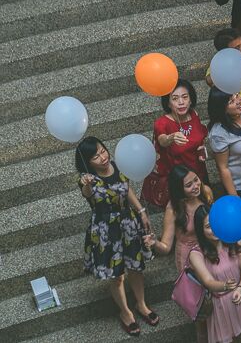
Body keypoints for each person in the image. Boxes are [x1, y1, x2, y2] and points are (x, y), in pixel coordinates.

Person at [76, 136, 156, 336]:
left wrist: (141, 211)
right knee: (117, 275)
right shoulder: (87, 179)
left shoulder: (118, 166)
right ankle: (125, 312)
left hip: (128, 222)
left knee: (136, 267)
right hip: (105, 230)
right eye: (96, 156)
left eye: (103, 151)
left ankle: (141, 304)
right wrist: (86, 183)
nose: (103, 157)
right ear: (87, 162)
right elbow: (87, 193)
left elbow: (127, 189)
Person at [188, 205, 241, 343]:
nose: (215, 229)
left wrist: (240, 288)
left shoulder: (233, 238)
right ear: (201, 230)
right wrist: (225, 285)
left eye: (217, 223)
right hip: (221, 303)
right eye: (209, 226)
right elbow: (208, 281)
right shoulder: (196, 253)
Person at [144, 79, 209, 207]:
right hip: (180, 181)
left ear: (191, 99)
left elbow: (199, 136)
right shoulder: (162, 123)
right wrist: (172, 137)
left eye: (185, 97)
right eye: (175, 98)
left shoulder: (194, 115)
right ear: (168, 103)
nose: (181, 102)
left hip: (199, 174)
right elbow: (162, 140)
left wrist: (202, 148)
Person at [147, 165, 214, 272]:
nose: (196, 186)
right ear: (179, 189)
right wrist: (155, 242)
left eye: (196, 179)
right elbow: (166, 247)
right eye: (189, 185)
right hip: (189, 256)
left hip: (210, 249)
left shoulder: (205, 191)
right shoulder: (173, 208)